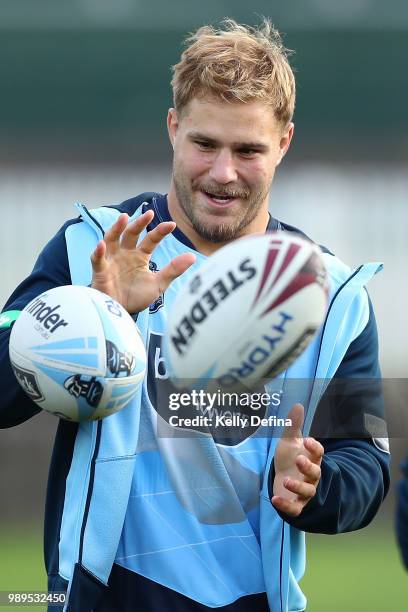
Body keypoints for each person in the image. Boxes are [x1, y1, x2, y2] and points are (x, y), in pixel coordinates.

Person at [0, 19, 390, 612]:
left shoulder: (335, 298)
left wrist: (316, 485)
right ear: (173, 128)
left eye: (248, 150)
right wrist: (95, 316)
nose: (223, 173)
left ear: (284, 143)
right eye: (205, 144)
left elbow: (366, 463)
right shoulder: (91, 248)